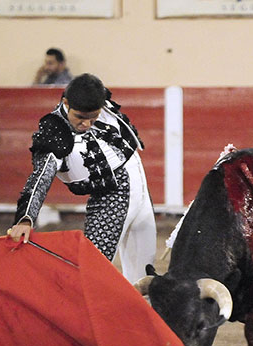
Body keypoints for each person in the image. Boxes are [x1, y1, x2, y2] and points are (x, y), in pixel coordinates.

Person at [9, 73, 157, 283]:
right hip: (112, 193)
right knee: (92, 267)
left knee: (144, 270)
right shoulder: (54, 131)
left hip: (139, 181)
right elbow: (41, 177)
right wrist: (25, 217)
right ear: (66, 103)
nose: (86, 123)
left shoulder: (99, 100)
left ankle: (142, 305)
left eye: (93, 117)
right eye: (79, 117)